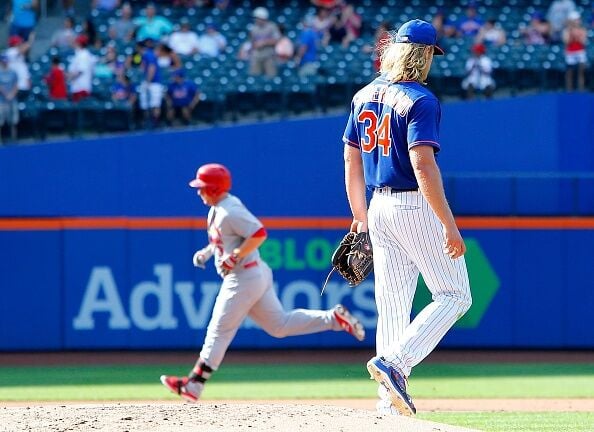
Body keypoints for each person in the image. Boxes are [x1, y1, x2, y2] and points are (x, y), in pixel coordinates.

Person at [341, 19, 472, 416]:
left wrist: (360, 217)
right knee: (455, 295)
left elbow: (350, 158)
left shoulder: (364, 94)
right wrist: (448, 222)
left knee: (394, 307)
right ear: (425, 55)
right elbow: (422, 163)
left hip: (378, 206)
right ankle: (394, 365)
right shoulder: (421, 99)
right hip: (413, 204)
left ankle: (388, 404)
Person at [160, 163, 366, 402]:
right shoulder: (218, 208)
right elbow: (224, 239)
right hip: (252, 274)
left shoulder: (229, 210)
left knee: (219, 329)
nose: (199, 191)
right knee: (279, 325)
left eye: (203, 187)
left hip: (244, 276)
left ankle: (194, 384)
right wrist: (208, 253)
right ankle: (333, 319)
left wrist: (235, 255)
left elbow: (259, 233)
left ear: (215, 189)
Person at [137, 38, 163, 127]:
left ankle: (155, 122)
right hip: (148, 82)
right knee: (145, 103)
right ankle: (149, 122)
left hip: (153, 82)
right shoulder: (144, 56)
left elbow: (152, 68)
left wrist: (148, 81)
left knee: (155, 104)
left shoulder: (148, 54)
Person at [248, 7, 280, 77]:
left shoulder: (272, 26)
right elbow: (252, 42)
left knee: (271, 76)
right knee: (254, 76)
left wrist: (264, 42)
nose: (256, 19)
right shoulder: (253, 28)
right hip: (257, 55)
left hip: (269, 55)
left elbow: (277, 40)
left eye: (257, 18)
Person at [562, 11, 588, 91]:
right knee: (570, 72)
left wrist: (578, 35)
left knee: (581, 72)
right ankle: (569, 90)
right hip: (570, 52)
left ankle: (581, 89)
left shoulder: (582, 30)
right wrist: (571, 33)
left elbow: (584, 41)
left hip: (580, 51)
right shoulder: (567, 30)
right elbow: (566, 41)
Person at [67, 35, 97, 102]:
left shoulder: (84, 55)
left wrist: (69, 77)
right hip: (78, 87)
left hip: (81, 88)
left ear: (79, 43)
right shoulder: (80, 54)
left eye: (76, 42)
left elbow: (80, 71)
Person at [0, 54, 19, 143]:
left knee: (13, 121)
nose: (5, 62)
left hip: (12, 99)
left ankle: (13, 139)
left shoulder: (13, 72)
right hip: (1, 101)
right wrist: (6, 94)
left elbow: (16, 85)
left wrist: (11, 94)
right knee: (1, 121)